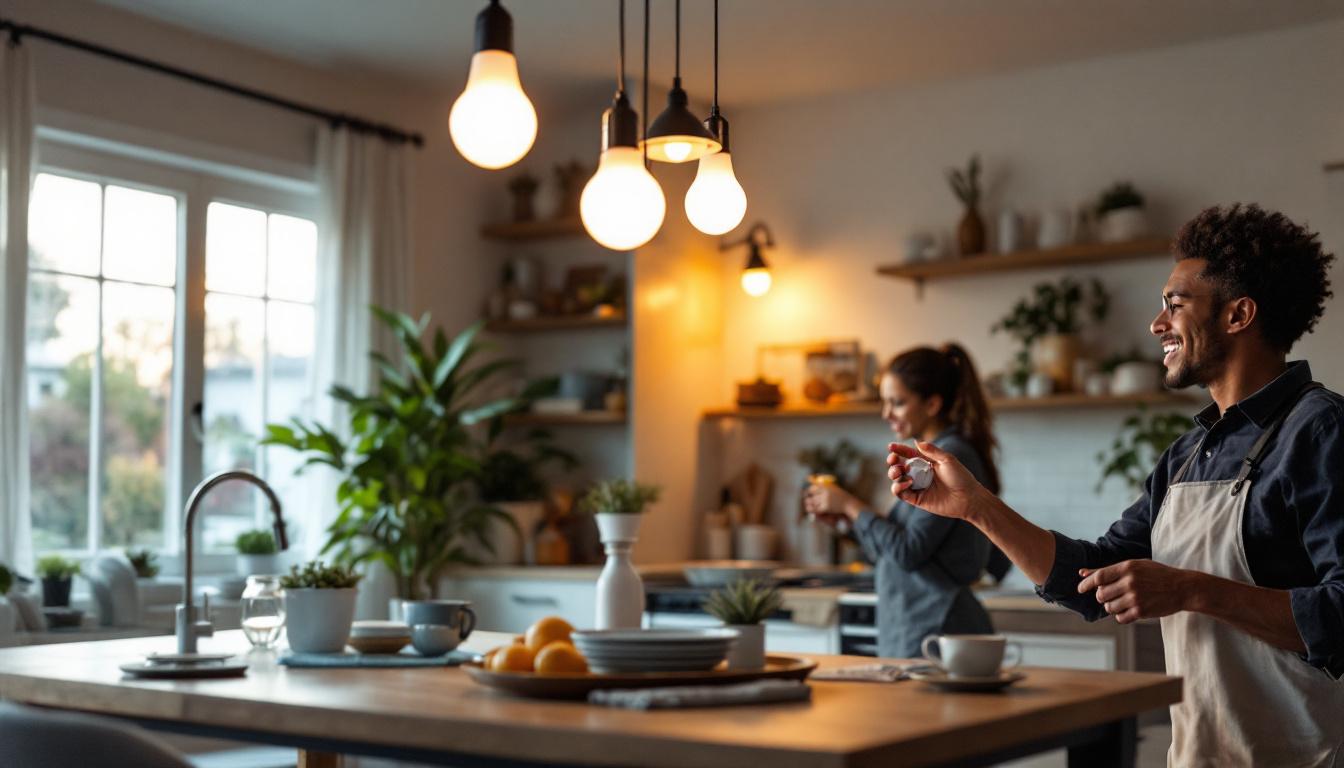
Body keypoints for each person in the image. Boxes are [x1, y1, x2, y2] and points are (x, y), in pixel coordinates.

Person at [887, 204, 1343, 767]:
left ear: (1238, 315)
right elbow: (1089, 578)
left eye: (1175, 305)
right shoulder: (1187, 455)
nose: (1157, 324)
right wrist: (975, 507)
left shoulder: (1320, 430)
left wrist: (1191, 591)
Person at [804, 343, 1003, 658]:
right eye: (884, 402)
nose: (886, 414)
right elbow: (895, 553)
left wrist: (851, 505)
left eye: (897, 403)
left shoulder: (947, 458)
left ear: (932, 404)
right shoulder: (936, 455)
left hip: (938, 627)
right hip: (921, 625)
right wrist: (847, 523)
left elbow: (908, 551)